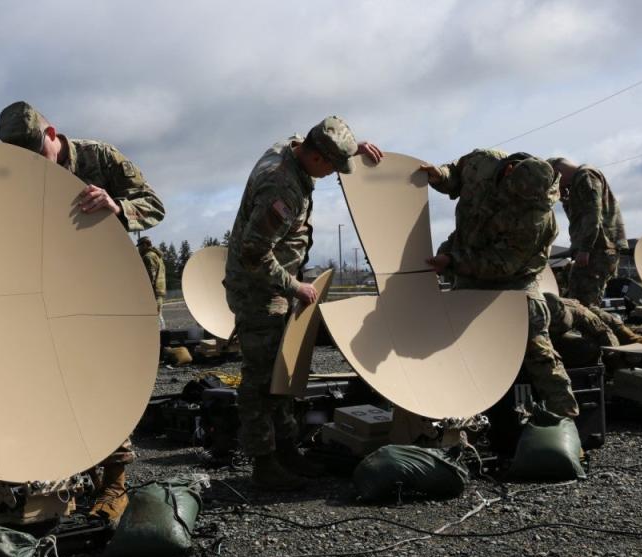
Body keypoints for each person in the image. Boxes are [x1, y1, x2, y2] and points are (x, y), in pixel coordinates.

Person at [0, 101, 165, 523]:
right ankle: (74, 471)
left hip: (108, 287)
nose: (33, 164)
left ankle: (114, 484)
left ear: (52, 135)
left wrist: (118, 207)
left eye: (38, 153)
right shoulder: (16, 175)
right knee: (61, 378)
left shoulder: (100, 157)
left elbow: (154, 205)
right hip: (54, 288)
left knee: (107, 380)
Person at [224, 116, 383, 490]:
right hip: (259, 291)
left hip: (274, 289)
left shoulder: (296, 148)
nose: (332, 174)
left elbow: (317, 144)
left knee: (282, 375)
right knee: (262, 381)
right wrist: (294, 286)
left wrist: (349, 150)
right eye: (332, 166)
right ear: (316, 158)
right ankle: (265, 465)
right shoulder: (281, 188)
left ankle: (286, 451)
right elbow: (253, 252)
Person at [421, 151, 579, 419]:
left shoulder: (536, 215)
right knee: (456, 348)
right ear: (508, 173)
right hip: (468, 272)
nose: (518, 205)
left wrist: (452, 261)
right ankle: (456, 420)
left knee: (538, 350)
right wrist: (441, 176)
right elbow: (457, 175)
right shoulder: (481, 162)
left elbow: (503, 264)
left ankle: (566, 419)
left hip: (515, 280)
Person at [548, 157, 628, 306]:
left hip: (597, 249)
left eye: (554, 181)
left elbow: (593, 214)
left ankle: (604, 329)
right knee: (580, 300)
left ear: (558, 172)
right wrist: (566, 201)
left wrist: (585, 249)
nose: (555, 187)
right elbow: (580, 219)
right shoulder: (578, 181)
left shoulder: (585, 175)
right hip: (595, 248)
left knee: (584, 304)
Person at [137, 236, 166, 327]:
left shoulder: (148, 257)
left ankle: (157, 338)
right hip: (160, 290)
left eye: (140, 246)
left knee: (153, 318)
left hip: (153, 292)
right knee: (158, 315)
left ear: (145, 245)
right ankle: (160, 336)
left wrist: (145, 292)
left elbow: (150, 277)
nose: (139, 248)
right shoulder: (158, 256)